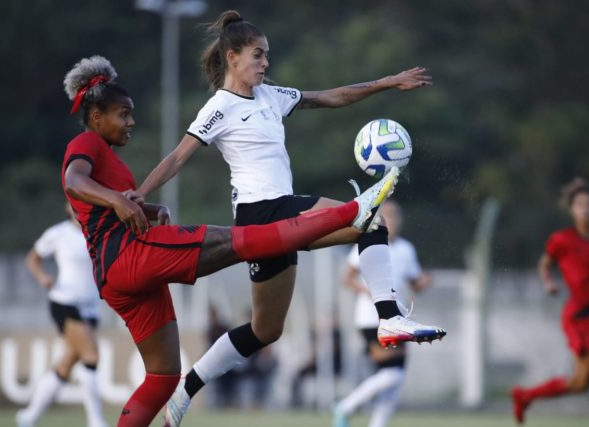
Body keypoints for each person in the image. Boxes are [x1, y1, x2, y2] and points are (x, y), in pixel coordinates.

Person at [130, 11, 445, 425]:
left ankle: (389, 317)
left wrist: (386, 82)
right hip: (258, 219)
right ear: (232, 57)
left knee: (370, 223)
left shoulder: (272, 96)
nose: (265, 63)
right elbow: (177, 156)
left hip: (285, 207)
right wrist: (140, 194)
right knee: (266, 328)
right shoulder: (219, 107)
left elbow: (331, 96)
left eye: (267, 56)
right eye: (257, 55)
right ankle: (185, 392)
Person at [61, 55, 400, 427]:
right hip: (130, 255)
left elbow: (104, 206)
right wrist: (118, 200)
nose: (131, 122)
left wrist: (146, 204)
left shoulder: (110, 156)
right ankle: (354, 208)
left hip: (115, 277)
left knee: (163, 376)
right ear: (96, 117)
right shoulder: (87, 142)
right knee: (239, 242)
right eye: (123, 114)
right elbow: (73, 182)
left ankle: (378, 281)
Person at [510, 178, 589, 427]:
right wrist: (549, 282)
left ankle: (525, 396)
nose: (585, 209)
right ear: (572, 210)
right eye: (580, 204)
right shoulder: (562, 240)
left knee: (580, 383)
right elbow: (545, 264)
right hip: (578, 317)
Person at [333, 200, 431, 427]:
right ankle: (345, 406)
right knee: (393, 374)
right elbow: (346, 278)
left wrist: (425, 281)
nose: (393, 221)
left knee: (395, 378)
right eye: (388, 215)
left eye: (396, 216)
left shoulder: (406, 249)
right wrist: (368, 290)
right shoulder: (369, 243)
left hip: (399, 320)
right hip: (370, 319)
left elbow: (415, 283)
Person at [16, 202, 108, 427]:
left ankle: (28, 417)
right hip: (64, 302)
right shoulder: (58, 233)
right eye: (74, 205)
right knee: (91, 355)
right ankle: (95, 421)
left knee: (65, 365)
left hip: (91, 306)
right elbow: (33, 258)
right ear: (68, 208)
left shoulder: (96, 234)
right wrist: (43, 278)